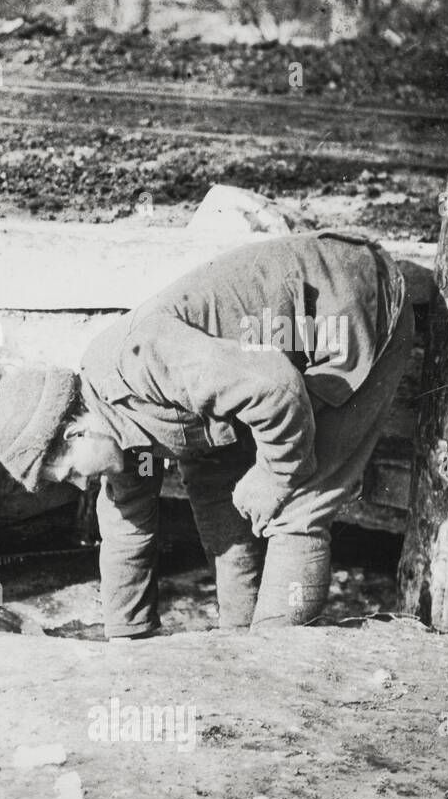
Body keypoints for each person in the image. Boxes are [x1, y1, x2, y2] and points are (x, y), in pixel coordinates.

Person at [35, 231, 412, 638]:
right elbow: (127, 533)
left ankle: (278, 665)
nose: (80, 484)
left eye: (70, 472)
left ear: (75, 432)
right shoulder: (113, 422)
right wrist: (128, 642)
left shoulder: (140, 361)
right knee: (218, 498)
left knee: (298, 504)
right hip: (268, 363)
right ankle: (239, 643)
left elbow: (278, 389)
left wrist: (276, 473)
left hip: (347, 308)